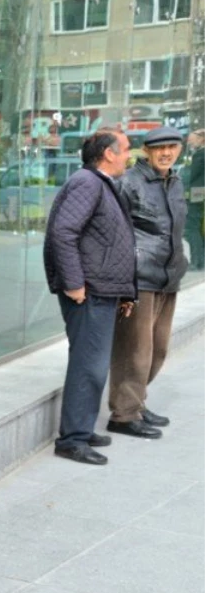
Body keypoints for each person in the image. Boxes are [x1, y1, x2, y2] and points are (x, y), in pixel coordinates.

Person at [43, 128, 138, 462]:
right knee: (89, 366)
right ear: (108, 153)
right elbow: (63, 232)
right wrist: (74, 283)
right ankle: (73, 439)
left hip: (101, 290)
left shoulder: (98, 184)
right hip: (89, 292)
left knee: (92, 364)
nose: (130, 154)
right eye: (125, 149)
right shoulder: (87, 182)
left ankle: (80, 428)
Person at [106, 126, 189, 438]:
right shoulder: (129, 183)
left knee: (158, 350)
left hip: (169, 276)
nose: (166, 153)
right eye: (159, 148)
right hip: (139, 278)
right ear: (146, 150)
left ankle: (135, 401)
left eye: (172, 146)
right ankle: (124, 415)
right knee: (135, 351)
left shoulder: (175, 182)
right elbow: (115, 231)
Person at [185, 129, 205, 271]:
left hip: (197, 193)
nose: (190, 142)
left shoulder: (200, 155)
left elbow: (191, 175)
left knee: (192, 227)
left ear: (201, 139)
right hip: (199, 193)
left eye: (192, 139)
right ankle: (200, 260)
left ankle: (196, 260)